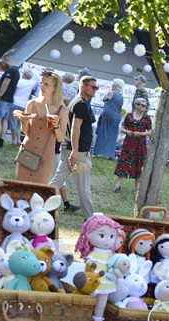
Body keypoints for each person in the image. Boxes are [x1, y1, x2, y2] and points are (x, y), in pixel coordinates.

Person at [49, 75, 97, 219]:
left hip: (68, 149)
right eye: (93, 87)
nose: (95, 90)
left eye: (97, 87)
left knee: (56, 182)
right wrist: (75, 152)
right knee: (83, 187)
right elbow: (76, 127)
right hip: (77, 152)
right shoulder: (80, 104)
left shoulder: (75, 102)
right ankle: (91, 219)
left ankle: (37, 202)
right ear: (83, 86)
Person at [14, 71, 68, 184]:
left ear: (55, 88)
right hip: (28, 150)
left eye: (46, 84)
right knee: (20, 185)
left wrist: (56, 125)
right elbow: (27, 132)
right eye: (41, 83)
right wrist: (24, 121)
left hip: (46, 155)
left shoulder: (62, 110)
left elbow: (60, 138)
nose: (42, 87)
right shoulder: (31, 104)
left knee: (38, 188)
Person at [112, 96, 152, 193]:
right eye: (142, 105)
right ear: (136, 105)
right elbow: (122, 128)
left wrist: (140, 134)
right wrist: (127, 132)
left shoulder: (147, 118)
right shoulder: (129, 116)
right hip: (128, 143)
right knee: (123, 161)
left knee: (139, 163)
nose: (144, 107)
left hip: (140, 144)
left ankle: (137, 187)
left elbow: (151, 132)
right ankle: (118, 184)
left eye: (145, 106)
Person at [93, 78, 124, 159]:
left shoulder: (111, 93)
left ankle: (98, 153)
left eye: (113, 85)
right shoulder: (121, 96)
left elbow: (104, 99)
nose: (112, 86)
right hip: (117, 116)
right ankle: (111, 154)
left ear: (115, 86)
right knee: (113, 135)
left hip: (108, 115)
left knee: (103, 133)